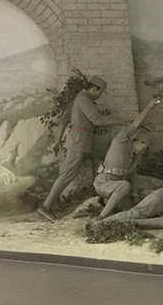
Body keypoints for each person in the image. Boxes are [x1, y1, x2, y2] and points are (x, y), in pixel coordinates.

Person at [38, 76, 120, 221]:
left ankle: (105, 199)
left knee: (103, 163)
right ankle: (46, 207)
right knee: (67, 175)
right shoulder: (83, 99)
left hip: (83, 141)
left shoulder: (79, 98)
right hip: (78, 143)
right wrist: (124, 122)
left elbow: (64, 119)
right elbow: (98, 120)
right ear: (94, 89)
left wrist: (57, 141)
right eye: (100, 92)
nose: (100, 96)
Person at [93, 98, 161, 220]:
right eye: (145, 147)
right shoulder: (121, 141)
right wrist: (149, 107)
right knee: (125, 186)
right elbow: (135, 124)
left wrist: (146, 190)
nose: (144, 151)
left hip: (117, 187)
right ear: (139, 142)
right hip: (104, 183)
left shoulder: (133, 157)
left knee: (132, 210)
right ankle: (101, 217)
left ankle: (108, 202)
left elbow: (133, 179)